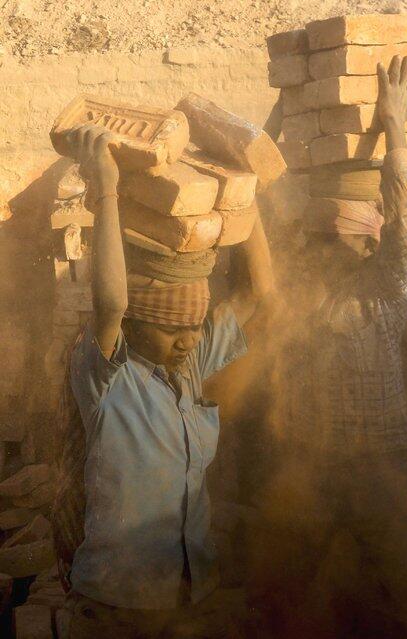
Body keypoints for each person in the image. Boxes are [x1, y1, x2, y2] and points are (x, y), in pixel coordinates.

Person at [60, 124, 274, 639]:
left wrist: (246, 197)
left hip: (189, 595)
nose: (187, 341)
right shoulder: (107, 378)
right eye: (172, 329)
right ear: (135, 326)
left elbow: (258, 294)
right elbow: (111, 301)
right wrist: (107, 189)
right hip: (115, 605)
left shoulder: (192, 364)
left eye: (195, 328)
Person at [256, 56, 407, 638]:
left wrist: (394, 127)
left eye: (342, 234)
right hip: (316, 467)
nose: (323, 245)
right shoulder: (300, 288)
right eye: (322, 234)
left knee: (397, 598)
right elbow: (262, 193)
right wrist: (287, 109)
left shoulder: (388, 289)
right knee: (293, 595)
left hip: (384, 468)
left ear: (368, 241)